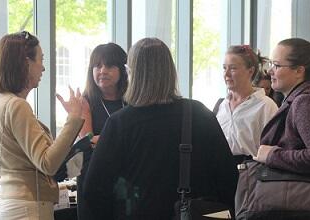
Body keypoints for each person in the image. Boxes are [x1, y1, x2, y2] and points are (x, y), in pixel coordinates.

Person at [83, 38, 238, 219]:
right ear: (170, 72)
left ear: (132, 73)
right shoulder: (199, 114)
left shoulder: (120, 123)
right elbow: (228, 179)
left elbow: (94, 190)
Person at [0, 31, 83, 220]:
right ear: (26, 62)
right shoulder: (17, 105)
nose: (43, 68)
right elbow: (48, 163)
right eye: (41, 59)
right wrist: (72, 119)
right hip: (27, 208)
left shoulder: (3, 102)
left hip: (15, 204)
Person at [253, 38, 310, 219]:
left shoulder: (304, 101)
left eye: (276, 65)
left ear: (299, 71)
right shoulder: (297, 98)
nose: (269, 71)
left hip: (296, 205)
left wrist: (272, 155)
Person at [77, 43, 127, 220]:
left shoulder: (131, 101)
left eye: (110, 65)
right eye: (97, 66)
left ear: (123, 69)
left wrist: (103, 140)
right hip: (94, 181)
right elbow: (88, 140)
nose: (102, 71)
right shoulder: (85, 101)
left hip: (126, 183)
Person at [215, 45, 278, 164]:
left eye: (233, 68)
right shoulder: (221, 106)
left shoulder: (265, 106)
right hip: (220, 172)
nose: (227, 74)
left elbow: (274, 147)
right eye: (224, 68)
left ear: (250, 71)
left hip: (251, 173)